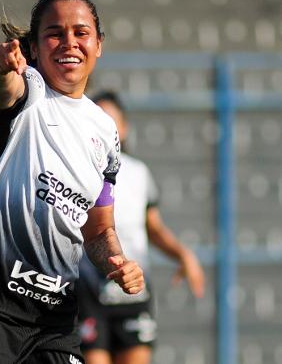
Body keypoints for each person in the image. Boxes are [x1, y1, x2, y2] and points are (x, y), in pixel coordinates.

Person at [0, 0, 145, 364]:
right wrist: (0, 69)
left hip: (53, 322)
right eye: (55, 33)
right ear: (34, 47)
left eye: (81, 32)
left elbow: (98, 230)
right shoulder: (30, 89)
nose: (69, 42)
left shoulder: (105, 132)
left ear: (99, 44)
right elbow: (3, 91)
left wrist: (116, 262)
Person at [78, 91, 205, 364]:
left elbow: (153, 228)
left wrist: (182, 254)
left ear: (123, 129)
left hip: (132, 293)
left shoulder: (139, 173)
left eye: (111, 121)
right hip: (87, 292)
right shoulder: (75, 172)